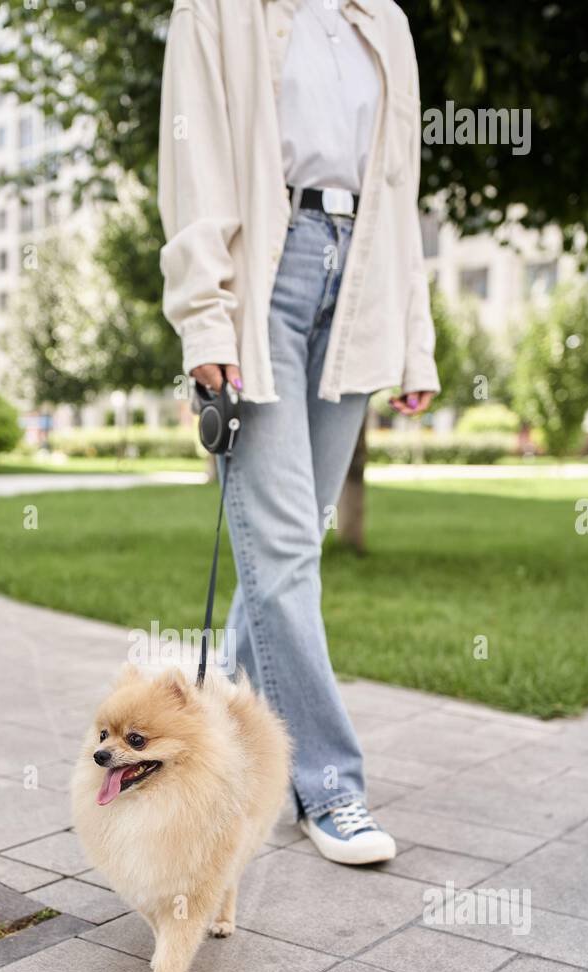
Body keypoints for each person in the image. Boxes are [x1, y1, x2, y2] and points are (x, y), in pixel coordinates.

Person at [157, 0, 439, 865]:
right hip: (264, 275)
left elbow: (400, 188)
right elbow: (193, 155)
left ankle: (206, 750)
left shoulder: (383, 21)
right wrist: (205, 320)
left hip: (359, 275)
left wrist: (414, 337)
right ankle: (330, 787)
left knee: (292, 546)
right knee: (282, 547)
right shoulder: (215, 9)